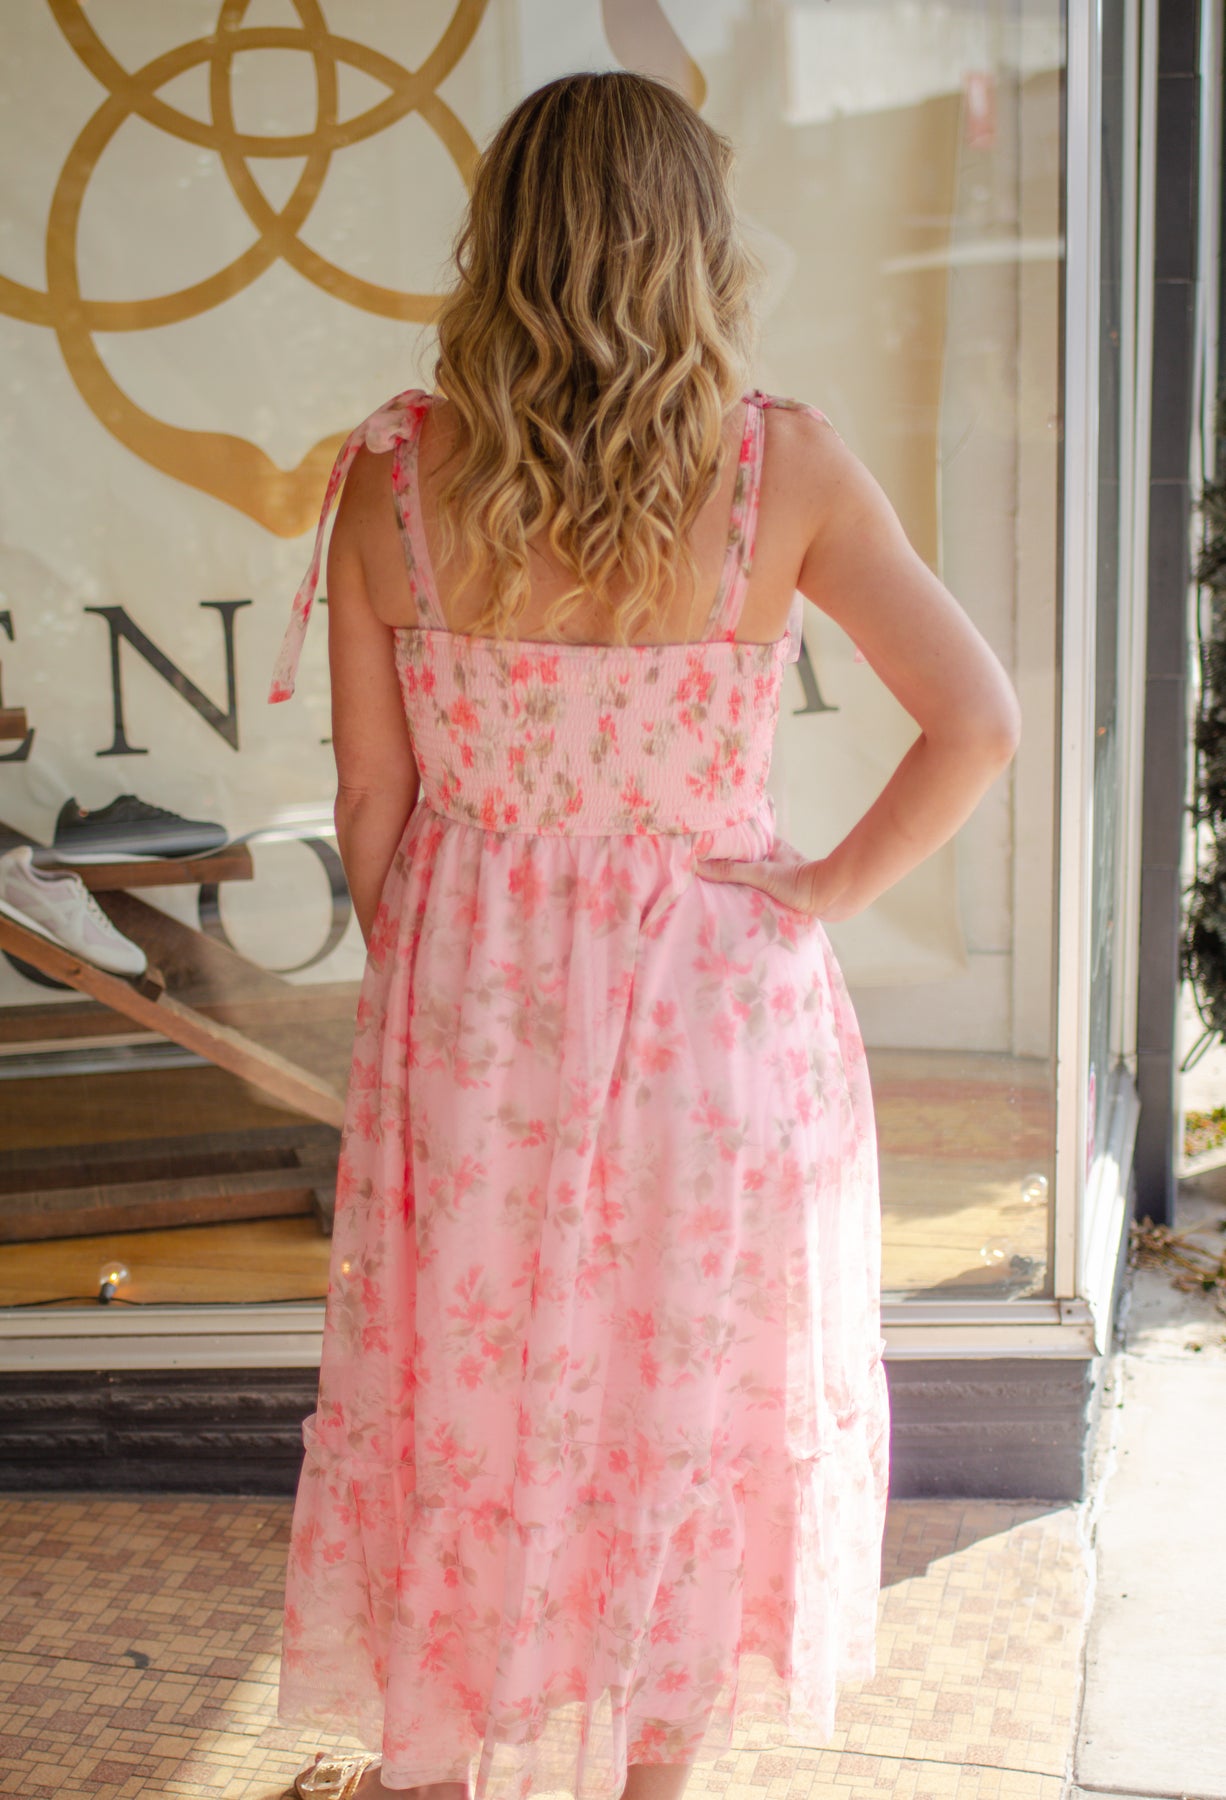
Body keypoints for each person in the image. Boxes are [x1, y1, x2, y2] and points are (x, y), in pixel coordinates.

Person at [268, 69, 1021, 1800]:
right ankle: (650, 1781)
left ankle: (436, 1767)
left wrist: (441, 981)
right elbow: (976, 720)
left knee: (474, 1387)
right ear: (695, 245)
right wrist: (823, 891)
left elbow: (373, 802)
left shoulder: (393, 479)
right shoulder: (778, 468)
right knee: (691, 1390)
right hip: (715, 1012)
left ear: (498, 241)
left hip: (474, 1019)